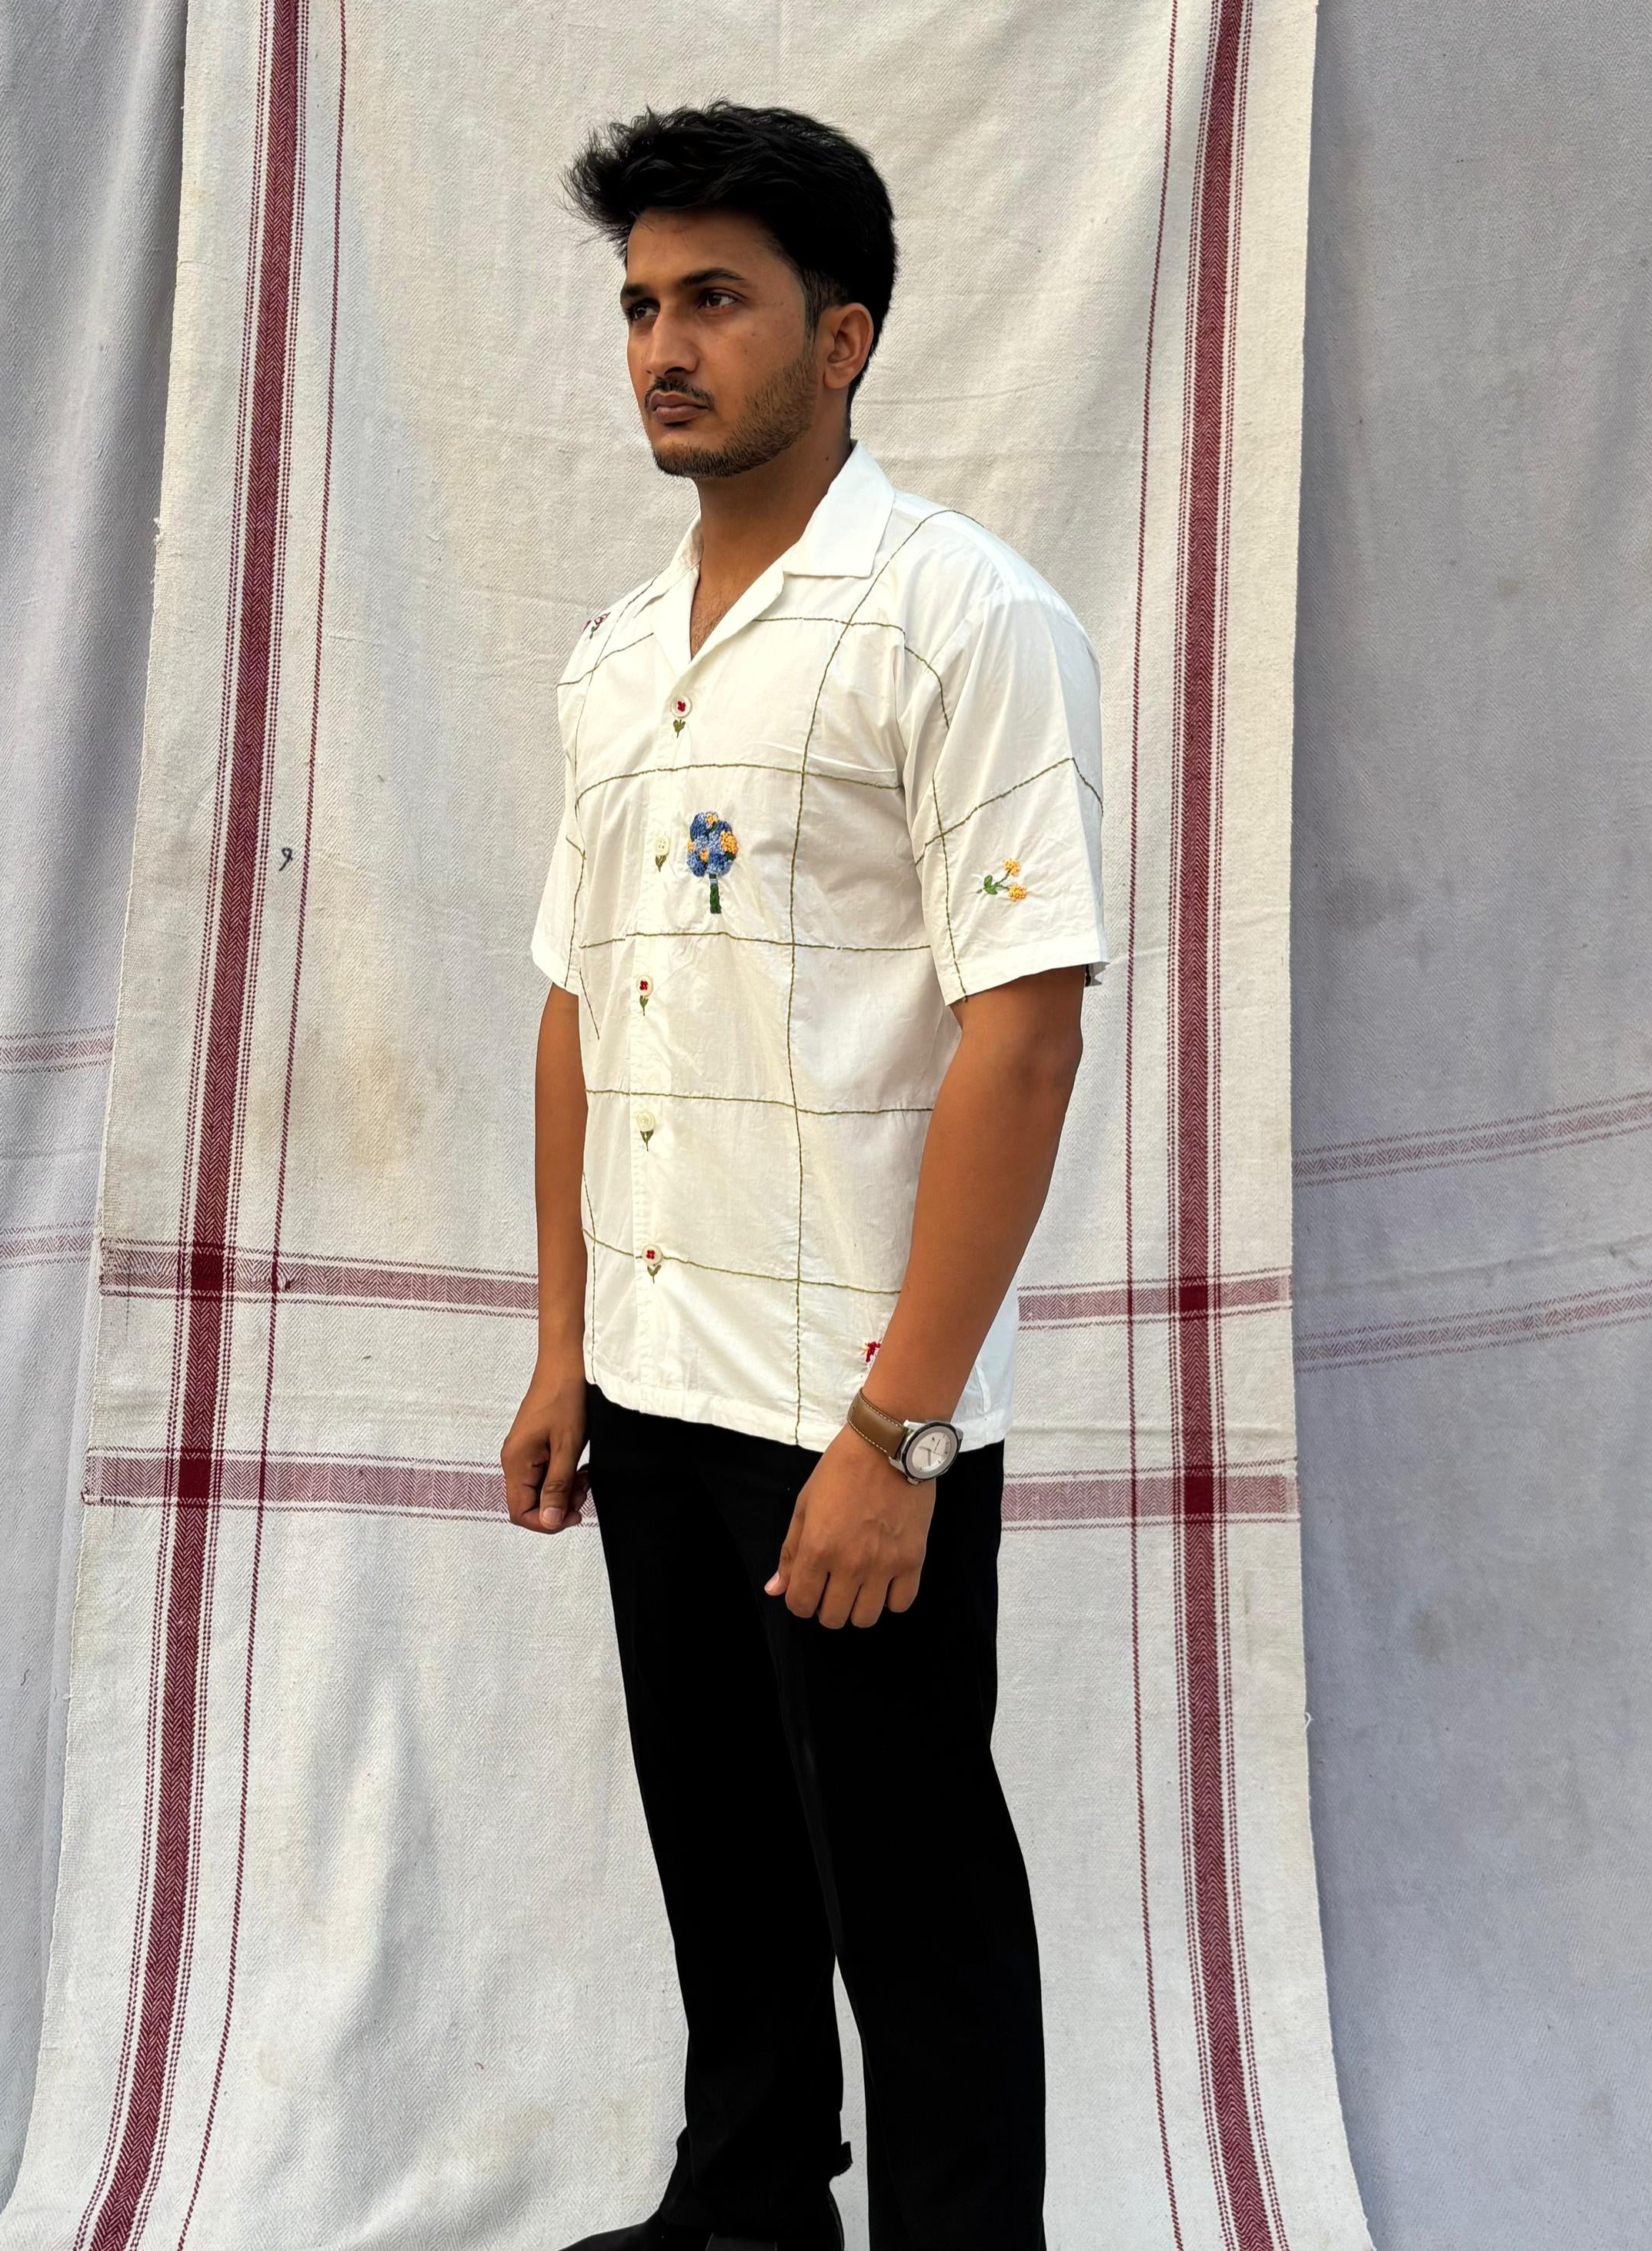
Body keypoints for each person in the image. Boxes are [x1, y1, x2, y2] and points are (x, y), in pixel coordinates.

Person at [502, 99, 1109, 2251]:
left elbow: (1020, 1030)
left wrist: (900, 1429)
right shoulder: (614, 660)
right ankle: (748, 2200)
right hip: (659, 1374)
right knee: (721, 1845)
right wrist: (569, 1343)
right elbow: (582, 1002)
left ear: (840, 337)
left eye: (717, 304)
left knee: (911, 1882)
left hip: (852, 1400)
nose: (664, 347)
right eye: (642, 306)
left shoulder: (965, 619)